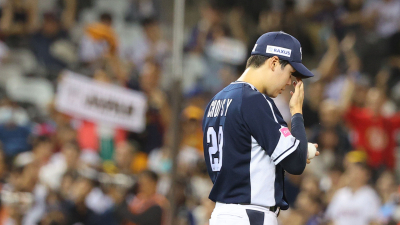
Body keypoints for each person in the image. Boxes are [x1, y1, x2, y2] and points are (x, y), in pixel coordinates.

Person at [202, 31, 319, 225]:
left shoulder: (217, 100)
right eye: (290, 73)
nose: (290, 82)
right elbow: (296, 164)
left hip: (223, 213)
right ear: (273, 63)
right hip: (250, 215)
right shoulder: (253, 100)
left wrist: (300, 149)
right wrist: (296, 112)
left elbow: (245, 152)